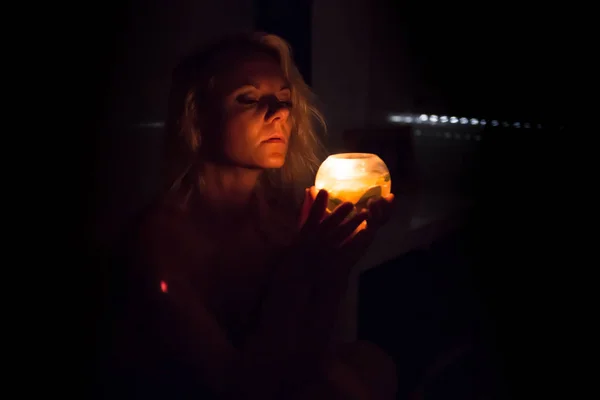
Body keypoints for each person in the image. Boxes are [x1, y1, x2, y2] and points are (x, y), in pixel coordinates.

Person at [111, 32, 397, 399]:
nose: (278, 112)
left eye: (284, 99)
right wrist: (298, 268)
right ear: (197, 115)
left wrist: (335, 265)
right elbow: (241, 388)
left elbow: (307, 361)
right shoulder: (159, 243)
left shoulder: (280, 218)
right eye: (248, 98)